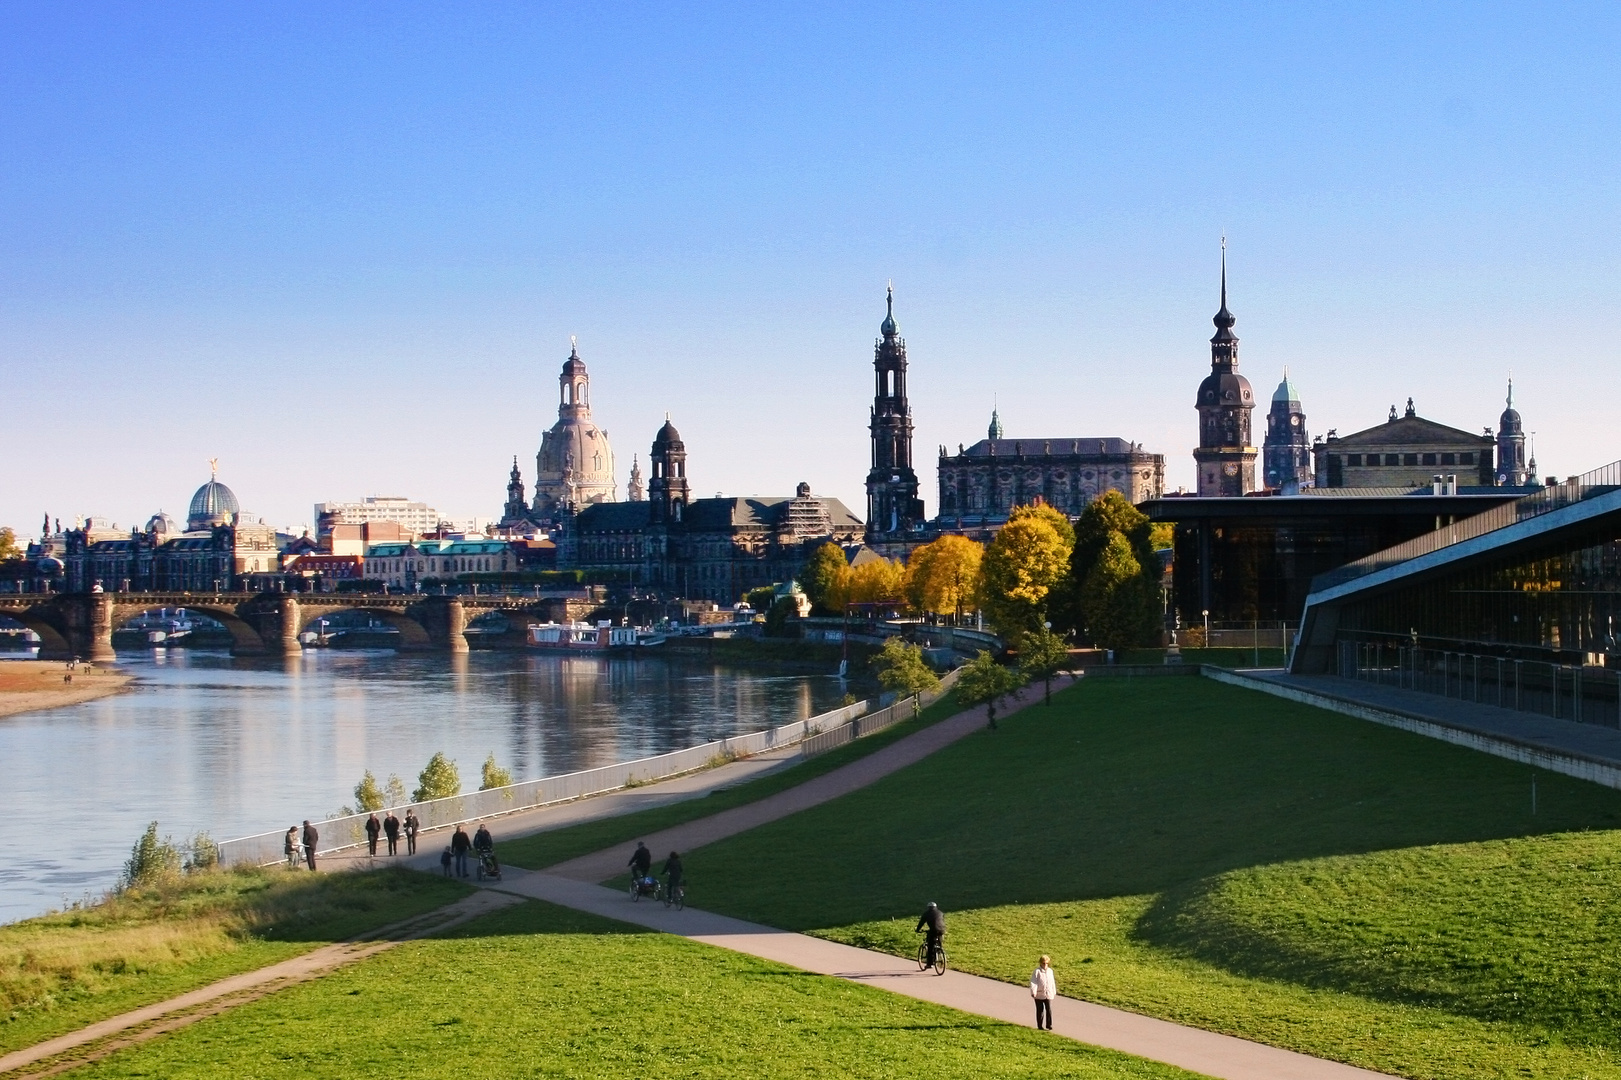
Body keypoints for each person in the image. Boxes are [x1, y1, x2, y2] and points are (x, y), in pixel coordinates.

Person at [1030, 955, 1057, 1030]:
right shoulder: (1037, 971)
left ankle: (1049, 1025)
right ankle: (1040, 1025)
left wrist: (1053, 991)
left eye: (1046, 963)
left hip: (1048, 994)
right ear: (1040, 963)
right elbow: (1034, 982)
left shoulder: (1050, 971)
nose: (1045, 965)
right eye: (1043, 963)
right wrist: (1033, 991)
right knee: (1040, 1010)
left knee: (1049, 1009)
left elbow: (1052, 982)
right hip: (1039, 994)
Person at [916, 901, 945, 968]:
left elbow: (921, 922)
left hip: (933, 930)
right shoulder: (940, 912)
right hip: (942, 930)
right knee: (939, 942)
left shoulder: (927, 913)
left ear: (928, 907)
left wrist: (917, 929)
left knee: (930, 946)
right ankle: (939, 952)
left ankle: (930, 963)